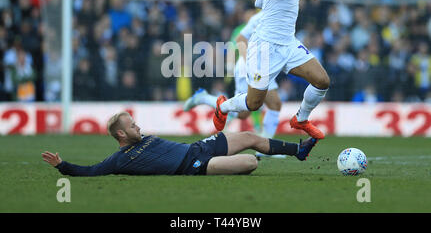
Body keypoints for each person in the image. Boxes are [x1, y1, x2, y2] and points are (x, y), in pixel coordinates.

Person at [212, 0, 330, 140]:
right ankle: (224, 106)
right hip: (265, 45)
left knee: (322, 80)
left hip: (288, 44)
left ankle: (301, 119)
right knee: (253, 104)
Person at [41, 111, 318, 176]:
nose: (137, 126)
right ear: (121, 135)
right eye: (132, 125)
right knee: (249, 162)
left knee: (248, 137)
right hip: (194, 164)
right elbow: (91, 172)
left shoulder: (144, 138)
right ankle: (240, 165)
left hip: (197, 148)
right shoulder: (121, 160)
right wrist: (62, 165)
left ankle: (299, 150)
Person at [183, 9, 284, 157]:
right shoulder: (246, 27)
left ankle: (266, 147)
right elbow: (234, 47)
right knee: (243, 113)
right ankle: (203, 98)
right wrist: (231, 68)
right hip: (248, 68)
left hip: (266, 66)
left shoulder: (276, 20)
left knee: (275, 104)